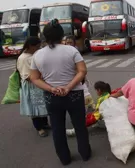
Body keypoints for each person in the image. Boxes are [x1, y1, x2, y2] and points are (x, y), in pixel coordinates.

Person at [29, 19, 91, 165]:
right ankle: (85, 154)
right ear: (61, 35)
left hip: (52, 96)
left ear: (44, 36)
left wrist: (51, 88)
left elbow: (34, 78)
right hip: (74, 94)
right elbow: (82, 71)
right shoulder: (72, 50)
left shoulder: (37, 55)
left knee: (57, 128)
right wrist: (69, 87)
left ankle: (64, 158)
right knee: (80, 126)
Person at [17, 37, 50, 137]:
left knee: (43, 105)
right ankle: (39, 128)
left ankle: (45, 124)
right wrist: (39, 79)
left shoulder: (34, 54)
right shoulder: (23, 58)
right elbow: (26, 76)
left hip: (39, 83)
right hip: (32, 86)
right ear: (31, 46)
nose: (38, 48)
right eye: (37, 46)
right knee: (34, 108)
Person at [64, 35, 95, 112]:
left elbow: (81, 68)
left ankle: (89, 112)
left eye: (70, 42)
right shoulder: (64, 52)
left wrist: (82, 76)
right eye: (67, 42)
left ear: (74, 44)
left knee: (85, 95)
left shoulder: (75, 52)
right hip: (69, 77)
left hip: (78, 76)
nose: (69, 44)